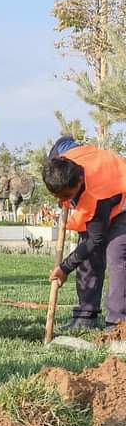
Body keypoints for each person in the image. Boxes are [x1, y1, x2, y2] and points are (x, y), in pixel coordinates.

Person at [43, 137, 126, 331]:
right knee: (88, 256)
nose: (62, 201)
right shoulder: (62, 160)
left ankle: (118, 322)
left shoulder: (96, 194)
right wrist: (63, 197)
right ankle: (85, 316)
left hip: (122, 201)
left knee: (117, 255)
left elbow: (94, 240)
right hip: (104, 196)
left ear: (80, 182)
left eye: (66, 196)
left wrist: (64, 268)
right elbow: (64, 140)